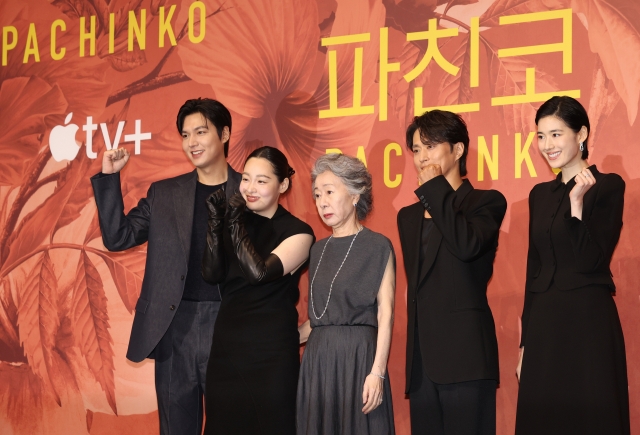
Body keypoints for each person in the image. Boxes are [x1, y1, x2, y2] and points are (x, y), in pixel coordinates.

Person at [90, 98, 241, 435]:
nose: (192, 143)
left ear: (225, 133)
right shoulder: (165, 193)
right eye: (186, 135)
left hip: (230, 324)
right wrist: (109, 178)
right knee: (175, 428)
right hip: (175, 326)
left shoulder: (249, 192)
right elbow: (118, 237)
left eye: (201, 132)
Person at [515, 96, 629, 435]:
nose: (547, 145)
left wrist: (576, 205)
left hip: (587, 323)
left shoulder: (608, 185)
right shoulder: (539, 195)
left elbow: (591, 261)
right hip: (545, 326)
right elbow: (533, 270)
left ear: (581, 134)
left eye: (556, 134)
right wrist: (524, 344)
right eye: (541, 136)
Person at [397, 110, 506, 435]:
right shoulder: (408, 216)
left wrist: (434, 190)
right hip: (422, 364)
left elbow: (466, 246)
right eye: (416, 149)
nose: (421, 157)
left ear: (458, 150)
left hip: (465, 357)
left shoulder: (486, 203)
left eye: (430, 146)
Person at [202, 146, 314, 435]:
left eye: (262, 181)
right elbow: (212, 274)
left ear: (283, 185)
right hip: (228, 348)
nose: (250, 189)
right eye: (246, 179)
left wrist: (234, 221)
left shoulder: (298, 232)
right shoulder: (233, 221)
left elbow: (258, 273)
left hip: (271, 353)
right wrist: (216, 224)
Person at [297, 153, 396, 435]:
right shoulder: (317, 249)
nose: (322, 202)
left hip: (358, 358)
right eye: (317, 195)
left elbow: (386, 314)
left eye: (329, 191)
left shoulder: (378, 246)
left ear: (355, 195)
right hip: (318, 361)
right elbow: (316, 319)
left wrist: (377, 372)